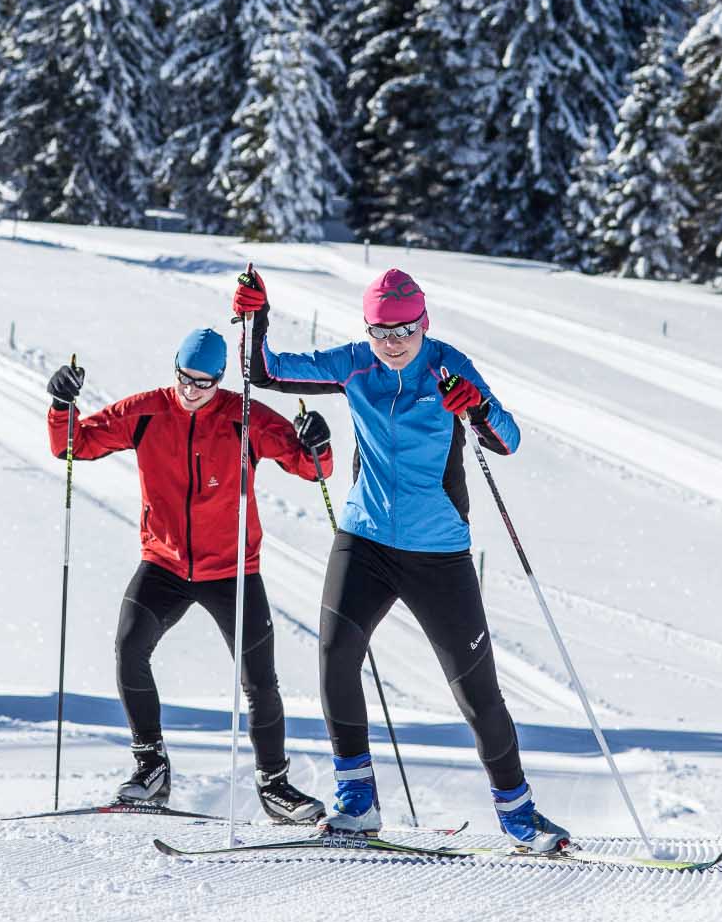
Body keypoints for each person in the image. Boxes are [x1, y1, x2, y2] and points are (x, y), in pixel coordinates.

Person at [234, 264, 574, 853]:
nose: (393, 344)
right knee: (336, 655)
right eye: (381, 332)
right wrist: (255, 316)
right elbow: (264, 372)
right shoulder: (354, 364)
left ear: (424, 325)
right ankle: (357, 801)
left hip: (437, 551)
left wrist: (476, 410)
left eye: (404, 331)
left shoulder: (448, 367)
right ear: (367, 330)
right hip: (364, 538)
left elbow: (508, 439)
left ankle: (520, 815)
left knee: (476, 691)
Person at [46, 327, 333, 822]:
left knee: (259, 680)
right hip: (165, 563)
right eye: (185, 378)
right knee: (130, 647)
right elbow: (73, 446)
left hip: (233, 569)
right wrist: (60, 404)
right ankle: (151, 767)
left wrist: (317, 443)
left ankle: (274, 787)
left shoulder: (244, 418)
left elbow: (312, 469)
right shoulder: (145, 411)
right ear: (174, 368)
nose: (192, 390)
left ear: (220, 380)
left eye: (205, 382)